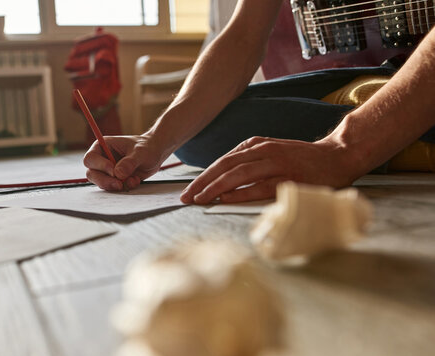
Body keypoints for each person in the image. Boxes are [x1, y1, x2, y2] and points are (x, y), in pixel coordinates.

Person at [83, 0, 435, 204]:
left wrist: (344, 149)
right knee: (201, 137)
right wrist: (155, 140)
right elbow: (243, 36)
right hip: (385, 70)